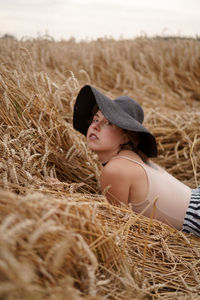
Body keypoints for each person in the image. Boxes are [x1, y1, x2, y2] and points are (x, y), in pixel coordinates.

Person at [73, 85, 200, 237]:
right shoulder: (131, 156)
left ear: (126, 137)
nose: (95, 127)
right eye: (95, 119)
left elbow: (115, 227)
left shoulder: (115, 170)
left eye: (109, 123)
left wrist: (66, 196)